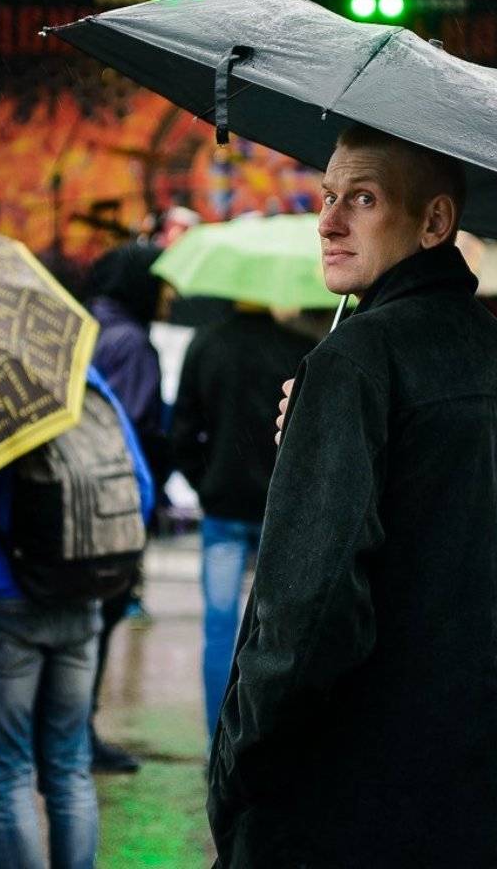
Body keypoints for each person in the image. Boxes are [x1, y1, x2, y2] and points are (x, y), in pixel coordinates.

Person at [207, 125, 497, 866]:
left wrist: (237, 765)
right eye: (327, 196)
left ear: (435, 221)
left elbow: (309, 615)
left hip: (350, 809)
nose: (329, 222)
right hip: (479, 808)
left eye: (362, 199)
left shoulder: (358, 361)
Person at [0, 367, 153, 869]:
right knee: (70, 768)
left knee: (8, 777)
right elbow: (142, 489)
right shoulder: (87, 381)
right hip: (80, 597)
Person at [170, 302, 314, 737]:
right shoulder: (299, 347)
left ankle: (218, 742)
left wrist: (205, 481)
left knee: (219, 630)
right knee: (279, 633)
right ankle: (263, 740)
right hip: (280, 510)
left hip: (223, 508)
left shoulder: (206, 343)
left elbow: (181, 430)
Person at [82, 242, 168, 774]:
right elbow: (131, 428)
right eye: (162, 284)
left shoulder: (82, 323)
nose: (169, 295)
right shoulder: (133, 343)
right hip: (113, 505)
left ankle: (63, 731)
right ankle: (78, 735)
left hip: (73, 500)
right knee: (100, 621)